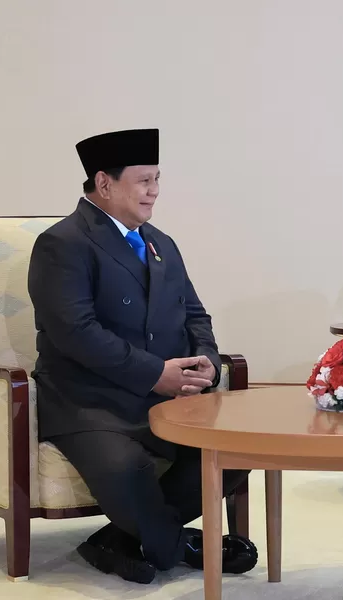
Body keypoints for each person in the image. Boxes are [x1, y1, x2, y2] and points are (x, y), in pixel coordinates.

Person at [27, 128, 256, 584]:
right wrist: (155, 374)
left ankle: (119, 541)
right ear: (105, 184)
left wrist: (206, 360)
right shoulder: (63, 243)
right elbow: (75, 332)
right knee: (126, 467)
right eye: (143, 180)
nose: (155, 191)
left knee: (235, 449)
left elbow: (194, 312)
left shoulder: (159, 242)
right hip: (88, 403)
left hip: (163, 399)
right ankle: (181, 546)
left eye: (157, 179)